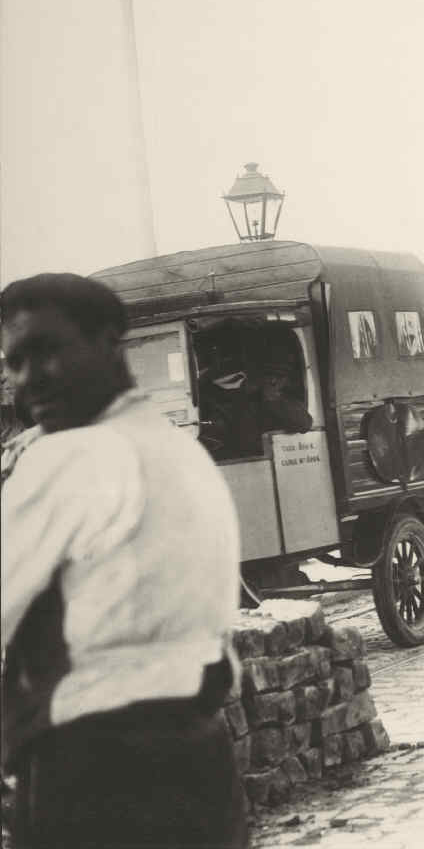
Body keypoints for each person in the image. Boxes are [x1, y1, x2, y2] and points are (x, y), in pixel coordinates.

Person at [1, 273, 247, 848]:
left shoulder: (70, 455)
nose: (28, 379)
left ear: (111, 342)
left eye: (47, 351)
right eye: (14, 361)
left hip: (95, 773)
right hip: (204, 762)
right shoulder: (180, 451)